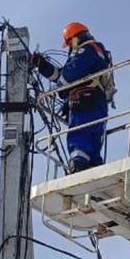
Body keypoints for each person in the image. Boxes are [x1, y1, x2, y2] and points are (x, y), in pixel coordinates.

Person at [32, 22, 114, 173]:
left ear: (75, 39)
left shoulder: (86, 50)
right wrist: (42, 65)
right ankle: (94, 171)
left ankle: (78, 165)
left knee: (79, 135)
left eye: (70, 44)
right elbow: (61, 76)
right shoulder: (98, 51)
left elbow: (67, 78)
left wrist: (61, 90)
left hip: (84, 102)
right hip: (98, 104)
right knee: (93, 141)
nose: (70, 48)